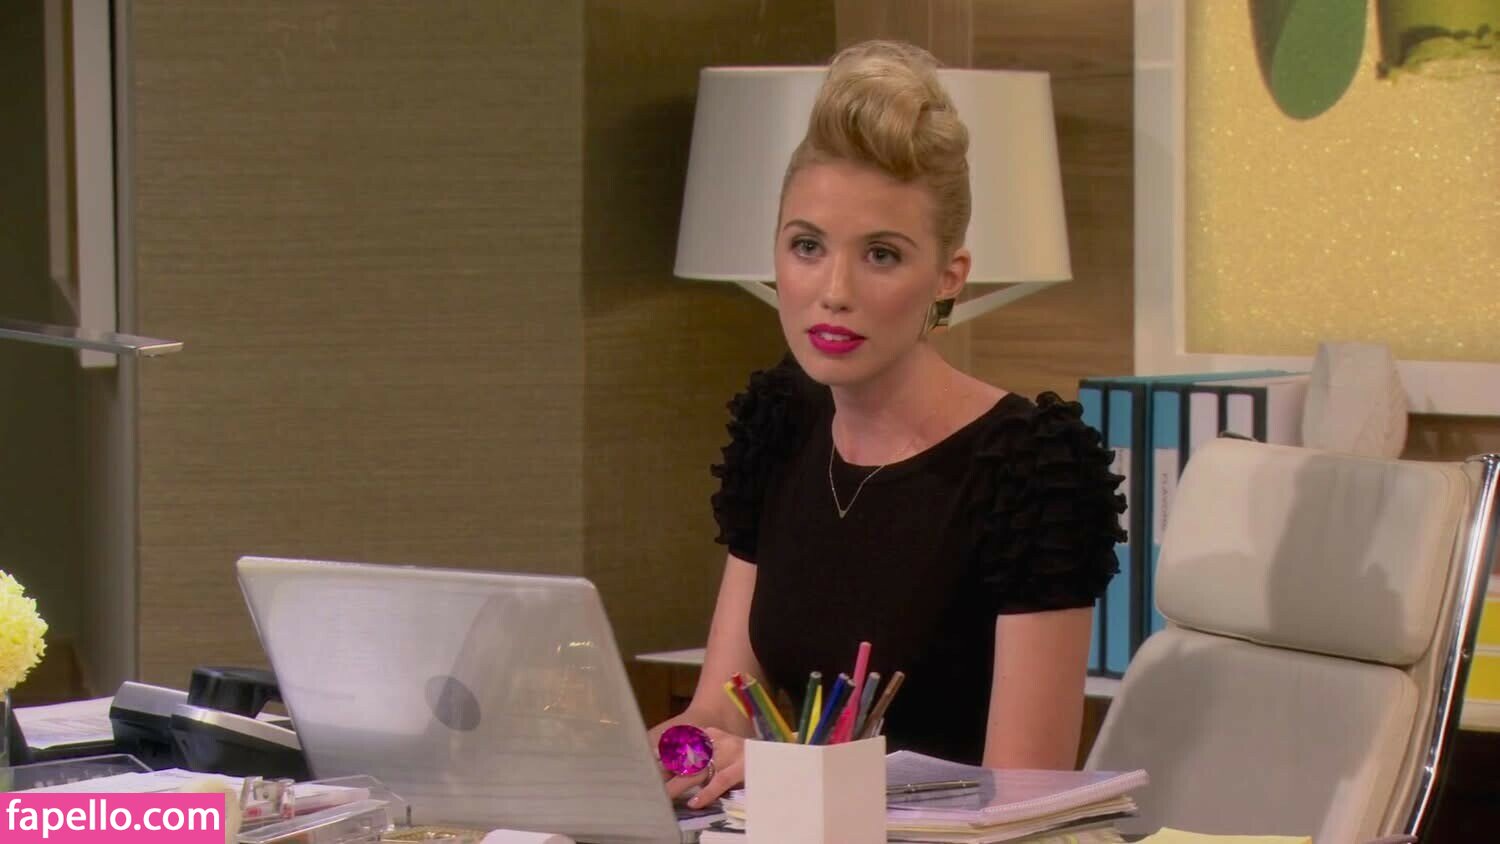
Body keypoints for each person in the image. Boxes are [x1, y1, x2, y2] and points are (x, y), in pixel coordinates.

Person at [650, 40, 1125, 810]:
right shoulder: (779, 425)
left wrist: (795, 775)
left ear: (948, 278)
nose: (833, 290)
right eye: (807, 246)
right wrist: (672, 752)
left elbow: (1024, 791)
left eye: (880, 255)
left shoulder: (1032, 468)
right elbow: (719, 709)